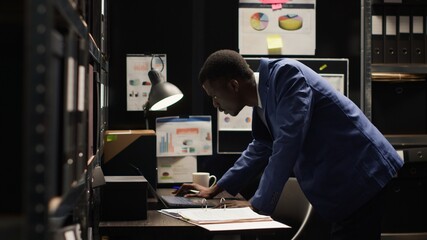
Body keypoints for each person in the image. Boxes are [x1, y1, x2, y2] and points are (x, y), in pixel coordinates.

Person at [174, 49, 404, 239]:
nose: (215, 104)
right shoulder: (262, 99)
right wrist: (217, 189)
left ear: (234, 85)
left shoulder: (287, 76)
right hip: (343, 184)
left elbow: (287, 145)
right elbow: (262, 146)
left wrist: (256, 206)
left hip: (364, 174)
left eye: (214, 96)